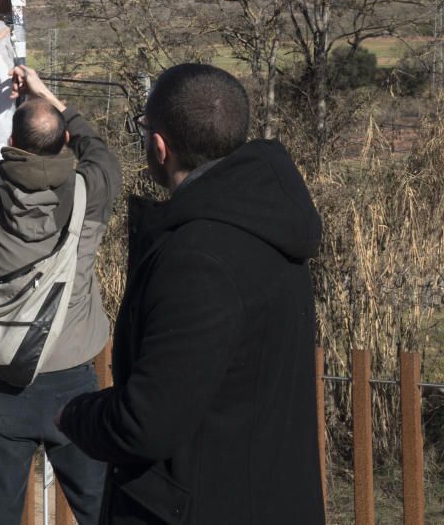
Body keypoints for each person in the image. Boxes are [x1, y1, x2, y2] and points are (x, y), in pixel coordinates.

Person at [56, 63, 325, 524]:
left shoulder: (198, 258)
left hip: (199, 506)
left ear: (159, 146)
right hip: (262, 495)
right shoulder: (271, 225)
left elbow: (147, 422)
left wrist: (74, 415)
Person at [0, 28, 122, 525]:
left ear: (12, 143)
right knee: (101, 510)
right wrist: (45, 94)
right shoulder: (91, 189)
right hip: (77, 383)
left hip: (5, 382)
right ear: (63, 142)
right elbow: (97, 145)